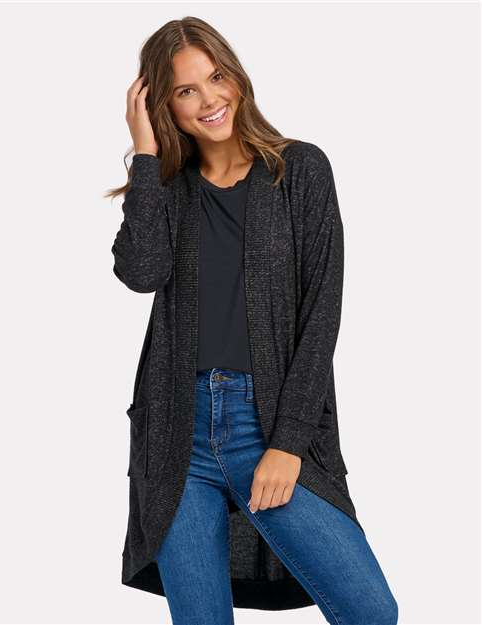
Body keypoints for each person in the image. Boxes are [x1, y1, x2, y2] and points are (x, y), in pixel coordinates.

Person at [107, 16, 399, 625]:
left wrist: (288, 443)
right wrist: (146, 156)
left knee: (370, 611)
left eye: (216, 77)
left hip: (264, 424)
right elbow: (141, 271)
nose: (209, 99)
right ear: (163, 105)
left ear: (236, 77)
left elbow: (321, 315)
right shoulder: (169, 189)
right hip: (176, 435)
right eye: (185, 90)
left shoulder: (300, 170)